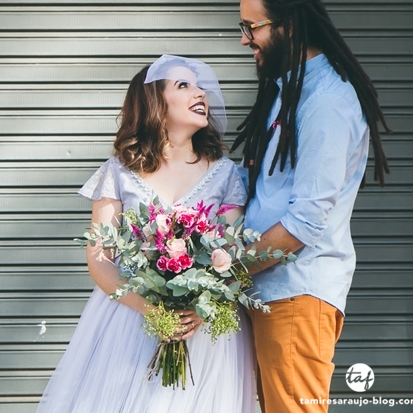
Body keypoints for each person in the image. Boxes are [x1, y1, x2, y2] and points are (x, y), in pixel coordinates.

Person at [36, 55, 256, 413]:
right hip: (130, 320)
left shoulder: (226, 174)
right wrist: (149, 309)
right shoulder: (119, 171)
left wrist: (203, 308)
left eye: (199, 85)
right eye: (184, 85)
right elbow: (99, 256)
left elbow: (234, 255)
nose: (201, 92)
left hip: (203, 331)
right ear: (155, 101)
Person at [233, 0, 390, 413]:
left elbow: (304, 221)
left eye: (252, 27)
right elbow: (264, 187)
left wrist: (224, 275)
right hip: (269, 291)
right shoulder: (287, 90)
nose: (245, 39)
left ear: (289, 25)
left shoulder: (327, 100)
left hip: (296, 296)